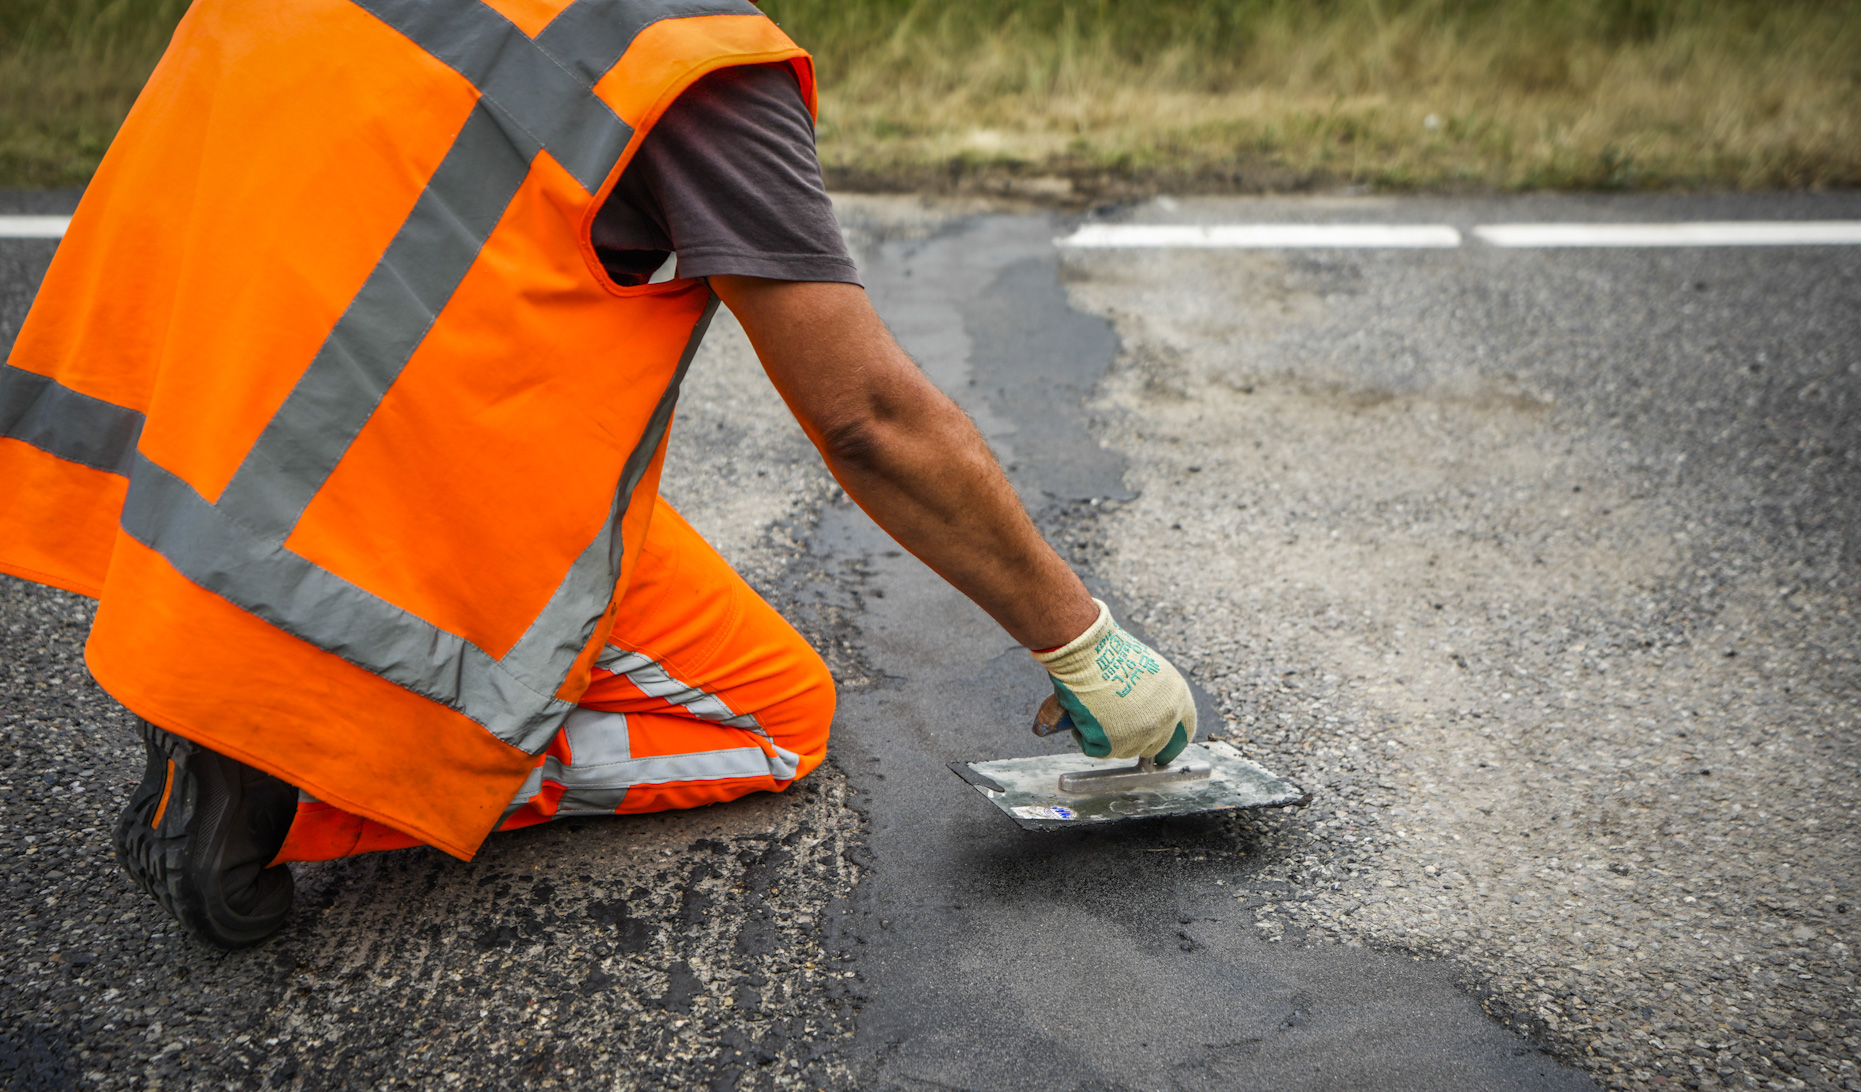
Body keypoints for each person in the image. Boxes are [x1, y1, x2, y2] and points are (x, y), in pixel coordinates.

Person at [0, 0, 1195, 949]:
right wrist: (1080, 640)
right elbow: (870, 419)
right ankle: (285, 770)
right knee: (774, 716)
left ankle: (226, 688)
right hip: (368, 489)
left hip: (188, 420)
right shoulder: (679, 55)